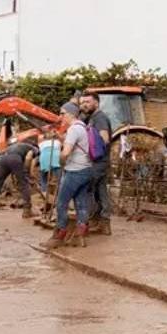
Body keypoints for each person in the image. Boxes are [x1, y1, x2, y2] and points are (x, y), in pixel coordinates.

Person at [42, 108, 94, 248]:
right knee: (81, 204)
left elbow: (66, 152)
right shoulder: (83, 127)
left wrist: (59, 161)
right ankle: (80, 235)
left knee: (61, 203)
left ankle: (59, 235)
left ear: (71, 114)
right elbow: (74, 143)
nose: (61, 116)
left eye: (63, 113)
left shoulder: (73, 129)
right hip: (86, 169)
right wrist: (59, 137)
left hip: (74, 171)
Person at [82, 92, 113, 235]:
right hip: (98, 161)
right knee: (100, 191)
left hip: (99, 160)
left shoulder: (100, 117)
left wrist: (92, 150)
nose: (84, 105)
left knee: (88, 188)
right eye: (83, 102)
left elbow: (104, 139)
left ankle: (94, 219)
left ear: (96, 102)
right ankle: (103, 223)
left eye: (87, 102)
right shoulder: (91, 118)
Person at [0, 137, 38, 219]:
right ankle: (27, 211)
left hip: (3, 160)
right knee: (24, 184)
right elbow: (29, 158)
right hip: (15, 159)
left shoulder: (14, 146)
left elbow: (1, 153)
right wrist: (27, 173)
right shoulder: (34, 148)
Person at [37, 128, 62, 196]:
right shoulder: (57, 142)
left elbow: (40, 151)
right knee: (59, 179)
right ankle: (60, 193)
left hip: (44, 158)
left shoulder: (41, 143)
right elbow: (61, 150)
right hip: (55, 158)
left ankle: (44, 191)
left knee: (43, 177)